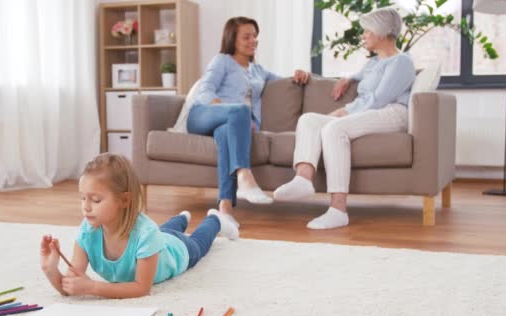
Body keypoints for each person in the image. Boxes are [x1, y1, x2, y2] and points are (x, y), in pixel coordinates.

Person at [273, 7, 416, 230]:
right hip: (369, 112)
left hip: (392, 113)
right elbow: (360, 77)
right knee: (309, 119)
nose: (363, 35)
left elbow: (379, 99)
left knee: (333, 129)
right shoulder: (374, 63)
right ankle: (303, 179)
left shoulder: (402, 62)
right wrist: (347, 78)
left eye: (367, 31)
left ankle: (338, 210)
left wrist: (346, 111)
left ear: (380, 33)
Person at [40, 153, 239, 299]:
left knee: (198, 242)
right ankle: (181, 218)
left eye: (96, 200)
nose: (86, 207)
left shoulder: (146, 233)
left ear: (124, 200)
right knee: (166, 230)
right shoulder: (87, 230)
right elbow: (70, 286)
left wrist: (93, 287)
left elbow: (141, 288)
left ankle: (215, 220)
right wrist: (51, 270)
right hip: (159, 238)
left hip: (178, 251)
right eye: (82, 198)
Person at [187, 16, 310, 226]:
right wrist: (224, 107)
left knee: (228, 134)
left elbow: (286, 81)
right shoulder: (222, 61)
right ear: (232, 39)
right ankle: (244, 175)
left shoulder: (258, 71)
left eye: (255, 36)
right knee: (239, 111)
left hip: (229, 125)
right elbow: (205, 90)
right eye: (246, 36)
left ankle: (224, 210)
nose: (253, 40)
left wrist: (301, 74)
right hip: (204, 115)